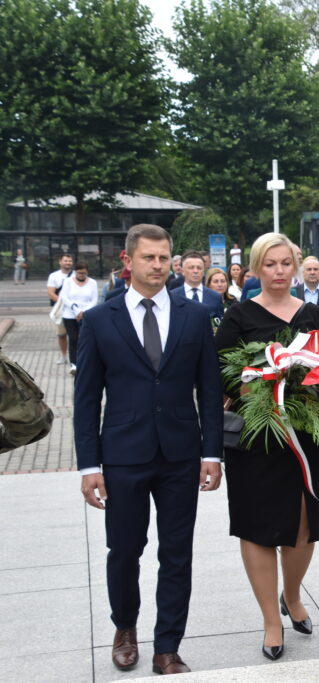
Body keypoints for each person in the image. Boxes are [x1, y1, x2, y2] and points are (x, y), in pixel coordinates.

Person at [75, 224, 222, 675]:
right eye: (149, 258)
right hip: (122, 455)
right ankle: (125, 628)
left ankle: (167, 645)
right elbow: (85, 398)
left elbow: (209, 390)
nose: (158, 266)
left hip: (180, 453)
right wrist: (88, 465)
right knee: (124, 550)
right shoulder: (102, 319)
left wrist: (211, 454)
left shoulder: (194, 316)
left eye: (164, 258)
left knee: (177, 552)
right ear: (129, 260)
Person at [215, 233, 319, 660]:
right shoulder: (238, 316)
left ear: (296, 267)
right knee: (257, 526)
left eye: (286, 263)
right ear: (256, 269)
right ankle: (270, 619)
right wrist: (257, 385)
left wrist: (316, 386)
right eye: (271, 264)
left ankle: (293, 594)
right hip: (255, 436)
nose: (280, 271)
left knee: (302, 526)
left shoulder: (313, 313)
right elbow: (222, 373)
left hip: (301, 436)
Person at [60, 261, 99, 375]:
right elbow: (65, 297)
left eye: (83, 273)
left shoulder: (92, 282)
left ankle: (86, 362)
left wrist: (83, 312)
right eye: (79, 273)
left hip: (86, 315)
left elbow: (94, 300)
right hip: (70, 314)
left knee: (85, 340)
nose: (81, 275)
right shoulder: (68, 281)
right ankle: (74, 364)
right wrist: (76, 309)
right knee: (73, 339)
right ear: (75, 272)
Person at [170, 251, 224, 321]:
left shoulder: (215, 297)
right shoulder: (173, 296)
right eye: (191, 268)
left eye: (199, 268)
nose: (195, 271)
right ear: (183, 270)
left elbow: (219, 325)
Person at [47, 253, 74, 365]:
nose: (68, 263)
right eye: (65, 260)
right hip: (60, 310)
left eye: (69, 261)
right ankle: (63, 356)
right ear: (60, 262)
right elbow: (51, 293)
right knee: (61, 334)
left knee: (75, 336)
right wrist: (63, 302)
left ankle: (75, 357)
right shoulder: (54, 276)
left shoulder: (76, 274)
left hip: (74, 310)